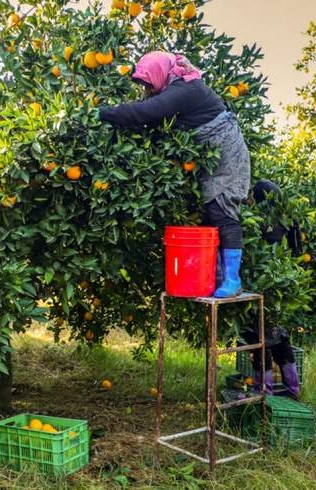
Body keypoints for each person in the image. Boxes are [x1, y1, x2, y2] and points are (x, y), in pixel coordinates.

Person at [98, 51, 251, 298]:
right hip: (209, 156)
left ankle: (233, 279)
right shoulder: (178, 85)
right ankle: (218, 275)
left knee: (222, 209)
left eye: (149, 84)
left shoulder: (185, 89)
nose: (147, 90)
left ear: (160, 73)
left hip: (226, 153)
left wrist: (102, 113)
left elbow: (146, 112)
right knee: (208, 212)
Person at [240, 180, 302, 399]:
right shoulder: (286, 219)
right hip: (281, 289)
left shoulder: (262, 223)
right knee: (280, 337)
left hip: (261, 286)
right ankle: (293, 389)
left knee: (258, 339)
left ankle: (263, 390)